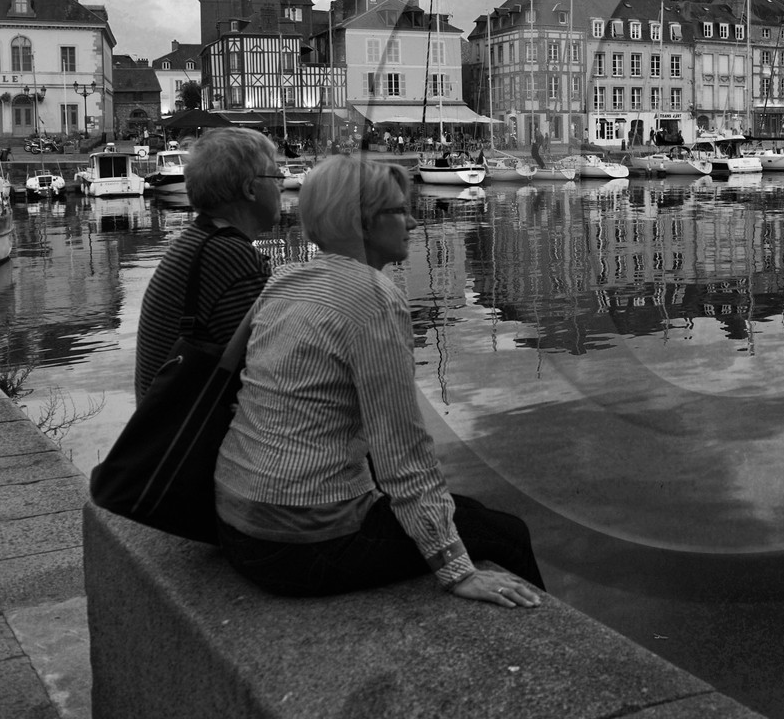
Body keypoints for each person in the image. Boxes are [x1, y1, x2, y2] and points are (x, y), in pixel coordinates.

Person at [213, 156, 544, 606]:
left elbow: (229, 382)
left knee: (473, 514)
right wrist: (454, 567)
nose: (411, 221)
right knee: (508, 535)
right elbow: (401, 448)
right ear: (361, 223)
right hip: (302, 542)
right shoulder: (374, 297)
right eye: (398, 211)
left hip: (235, 519)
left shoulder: (284, 279)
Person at [134, 128, 283, 401]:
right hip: (199, 440)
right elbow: (276, 372)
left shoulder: (199, 242)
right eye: (276, 176)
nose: (282, 184)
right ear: (250, 188)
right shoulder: (232, 259)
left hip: (170, 436)